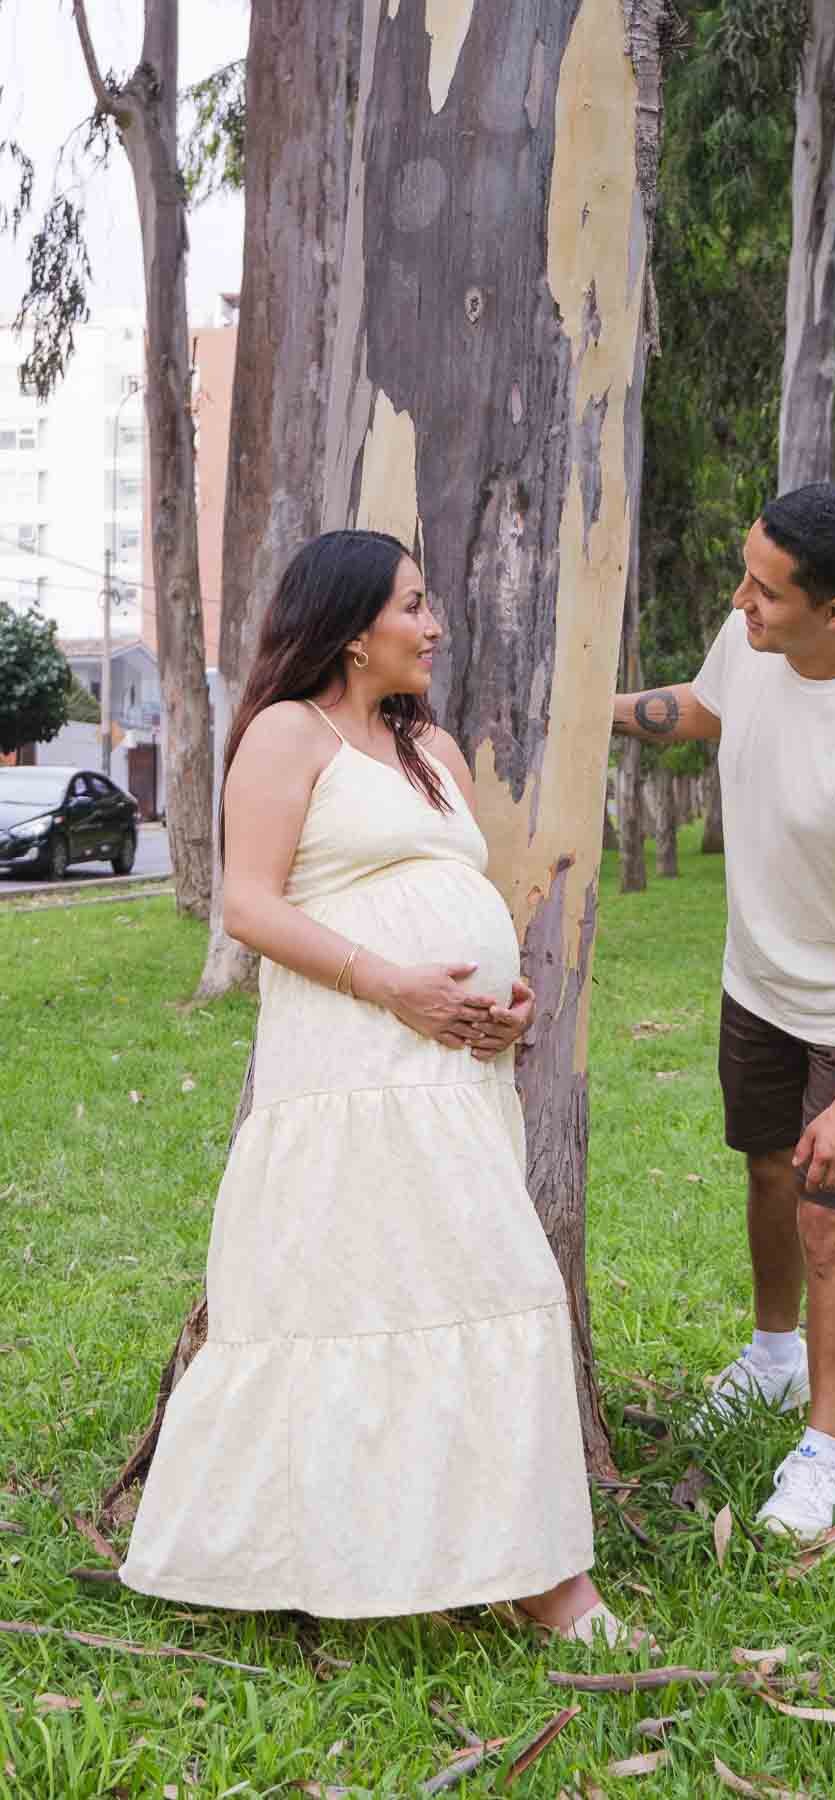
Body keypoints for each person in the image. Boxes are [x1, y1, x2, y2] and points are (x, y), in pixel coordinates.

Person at [120, 529, 639, 1648]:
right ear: (353, 631)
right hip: (350, 1066)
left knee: (494, 1285)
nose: (434, 624)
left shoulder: (432, 748)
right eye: (413, 604)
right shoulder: (286, 734)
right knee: (358, 1296)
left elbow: (461, 889)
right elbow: (249, 906)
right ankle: (333, 1557)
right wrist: (394, 982)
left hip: (455, 1071)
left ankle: (531, 1571)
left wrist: (507, 1002)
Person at [614, 484, 835, 1541]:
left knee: (830, 1221)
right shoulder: (757, 635)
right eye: (745, 575)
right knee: (768, 1169)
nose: (740, 600)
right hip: (759, 979)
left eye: (764, 590)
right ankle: (773, 1357)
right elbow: (707, 707)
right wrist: (588, 711)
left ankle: (825, 1457)